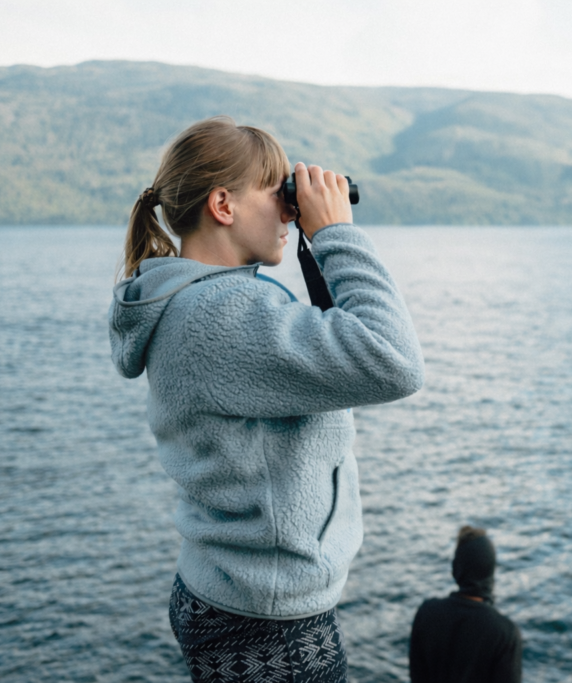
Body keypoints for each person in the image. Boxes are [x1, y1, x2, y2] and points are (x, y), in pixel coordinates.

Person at [108, 116, 424, 682]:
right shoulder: (221, 313)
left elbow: (334, 351)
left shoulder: (203, 302)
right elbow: (393, 360)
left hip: (235, 591)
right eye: (278, 192)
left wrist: (313, 243)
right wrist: (335, 233)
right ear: (223, 204)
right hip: (266, 619)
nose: (289, 209)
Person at [409, 527, 522, 683]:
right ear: (489, 572)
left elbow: (417, 677)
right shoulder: (504, 634)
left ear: (456, 568)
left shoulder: (426, 613)